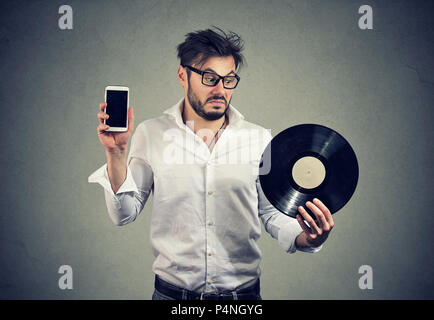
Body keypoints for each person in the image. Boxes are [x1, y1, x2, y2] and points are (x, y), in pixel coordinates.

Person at [88, 27, 334, 300]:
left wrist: (307, 238)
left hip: (243, 300)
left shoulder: (259, 138)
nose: (220, 90)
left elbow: (271, 213)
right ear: (183, 75)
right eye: (209, 78)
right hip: (171, 297)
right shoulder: (151, 134)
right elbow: (123, 213)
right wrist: (116, 153)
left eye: (229, 79)